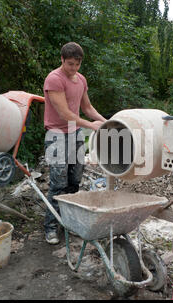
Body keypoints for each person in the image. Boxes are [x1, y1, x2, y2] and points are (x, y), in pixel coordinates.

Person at [43, 42, 106, 244]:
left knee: (75, 180)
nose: (74, 69)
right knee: (58, 183)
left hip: (75, 134)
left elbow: (87, 108)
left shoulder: (81, 80)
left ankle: (68, 222)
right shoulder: (54, 80)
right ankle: (51, 227)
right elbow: (65, 114)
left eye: (77, 65)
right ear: (62, 59)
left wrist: (108, 123)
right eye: (70, 64)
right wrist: (92, 126)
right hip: (56, 135)